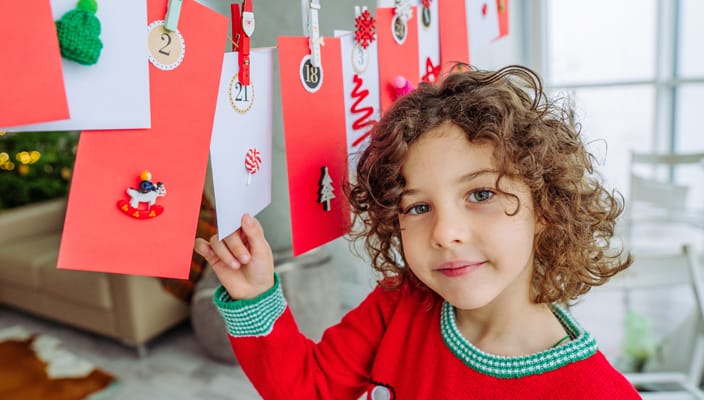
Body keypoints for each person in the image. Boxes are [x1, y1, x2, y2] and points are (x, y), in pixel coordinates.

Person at [193, 65, 641, 399]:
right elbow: (307, 390)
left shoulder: (598, 392)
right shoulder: (397, 307)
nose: (445, 233)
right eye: (419, 207)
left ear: (545, 206)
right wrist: (254, 296)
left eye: (480, 194)